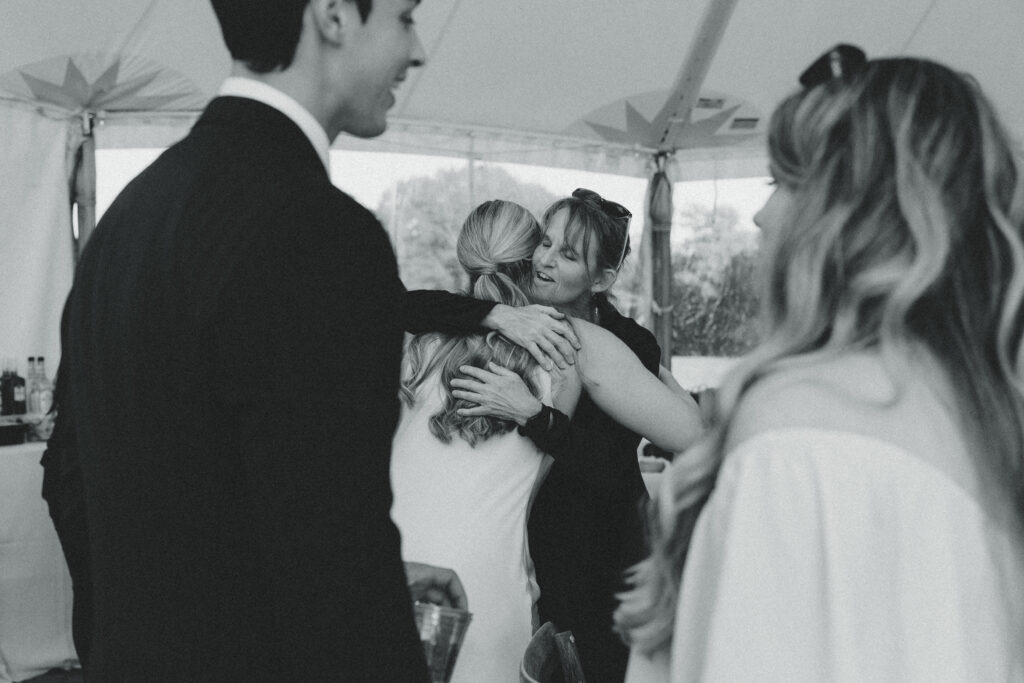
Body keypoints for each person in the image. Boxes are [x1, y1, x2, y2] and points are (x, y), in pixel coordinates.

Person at [41, 0, 483, 678]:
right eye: (404, 16)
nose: (418, 49)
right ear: (333, 15)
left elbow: (102, 492)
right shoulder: (322, 235)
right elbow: (337, 571)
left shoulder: (126, 223)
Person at [616, 46, 1024, 681]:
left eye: (783, 182)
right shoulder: (990, 419)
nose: (762, 214)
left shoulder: (802, 427)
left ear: (848, 218)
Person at [391, 199, 703, 682]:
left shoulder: (415, 340)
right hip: (488, 595)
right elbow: (691, 433)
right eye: (544, 241)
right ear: (526, 254)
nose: (548, 258)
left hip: (390, 572)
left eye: (566, 251)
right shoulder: (573, 343)